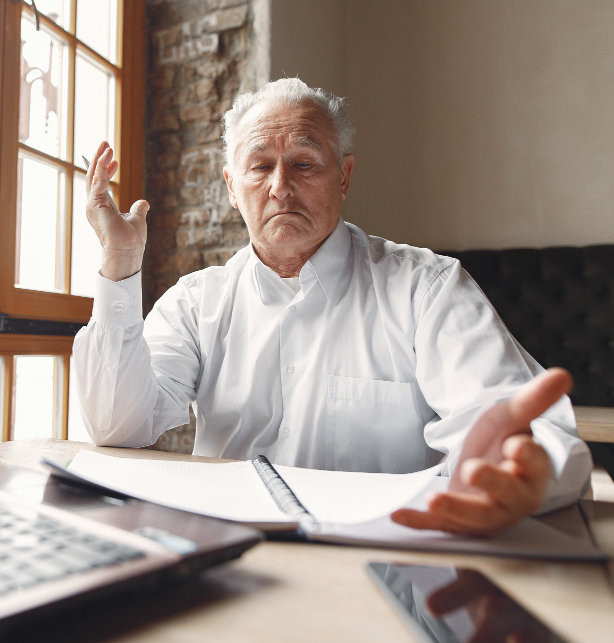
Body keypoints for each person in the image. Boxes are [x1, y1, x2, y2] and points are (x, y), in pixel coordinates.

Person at [74, 78, 592, 536]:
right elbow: (119, 426)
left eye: (304, 163)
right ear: (233, 188)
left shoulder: (426, 288)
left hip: (386, 573)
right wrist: (119, 265)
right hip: (231, 569)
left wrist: (520, 475)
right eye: (259, 166)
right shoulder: (197, 301)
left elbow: (526, 432)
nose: (281, 187)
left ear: (343, 177)